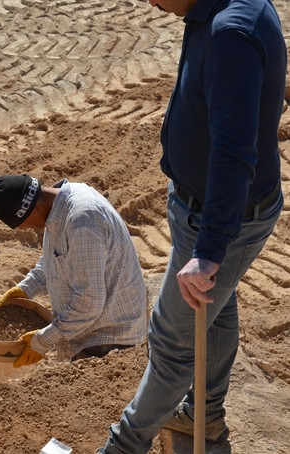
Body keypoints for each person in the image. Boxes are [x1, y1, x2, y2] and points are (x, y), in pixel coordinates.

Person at [98, 0, 286, 452]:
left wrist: (211, 248)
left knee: (171, 340)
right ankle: (204, 415)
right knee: (215, 312)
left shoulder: (230, 34)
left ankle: (123, 446)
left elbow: (233, 153)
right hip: (211, 210)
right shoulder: (219, 11)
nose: (149, 2)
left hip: (222, 218)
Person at [0, 174, 147, 368]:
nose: (22, 228)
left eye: (20, 223)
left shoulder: (82, 221)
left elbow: (88, 303)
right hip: (92, 332)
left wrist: (43, 340)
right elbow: (56, 259)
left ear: (31, 210)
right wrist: (26, 288)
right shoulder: (57, 207)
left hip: (110, 340)